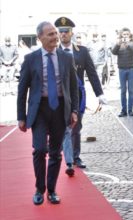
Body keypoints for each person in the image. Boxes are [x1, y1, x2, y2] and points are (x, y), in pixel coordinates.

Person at [17, 21, 79, 205]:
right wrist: (21, 117)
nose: (55, 37)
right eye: (50, 34)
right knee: (40, 149)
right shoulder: (30, 59)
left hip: (61, 109)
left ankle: (51, 190)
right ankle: (39, 188)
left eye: (55, 33)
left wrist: (74, 110)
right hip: (40, 110)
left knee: (55, 152)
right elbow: (22, 91)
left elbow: (73, 88)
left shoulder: (67, 57)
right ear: (40, 38)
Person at [55, 17, 106, 174]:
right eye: (61, 32)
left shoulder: (81, 51)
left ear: (72, 33)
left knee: (76, 128)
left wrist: (100, 93)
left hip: (77, 95)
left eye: (66, 31)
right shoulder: (54, 51)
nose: (63, 34)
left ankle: (75, 157)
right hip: (59, 95)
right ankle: (61, 157)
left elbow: (91, 72)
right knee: (62, 128)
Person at [111, 27, 133, 117]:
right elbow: (113, 52)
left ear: (129, 35)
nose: (125, 36)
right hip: (122, 69)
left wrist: (128, 46)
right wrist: (118, 44)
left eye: (127, 34)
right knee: (123, 90)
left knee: (131, 90)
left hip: (131, 69)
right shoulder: (119, 44)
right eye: (124, 34)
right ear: (121, 35)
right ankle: (123, 110)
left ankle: (130, 110)